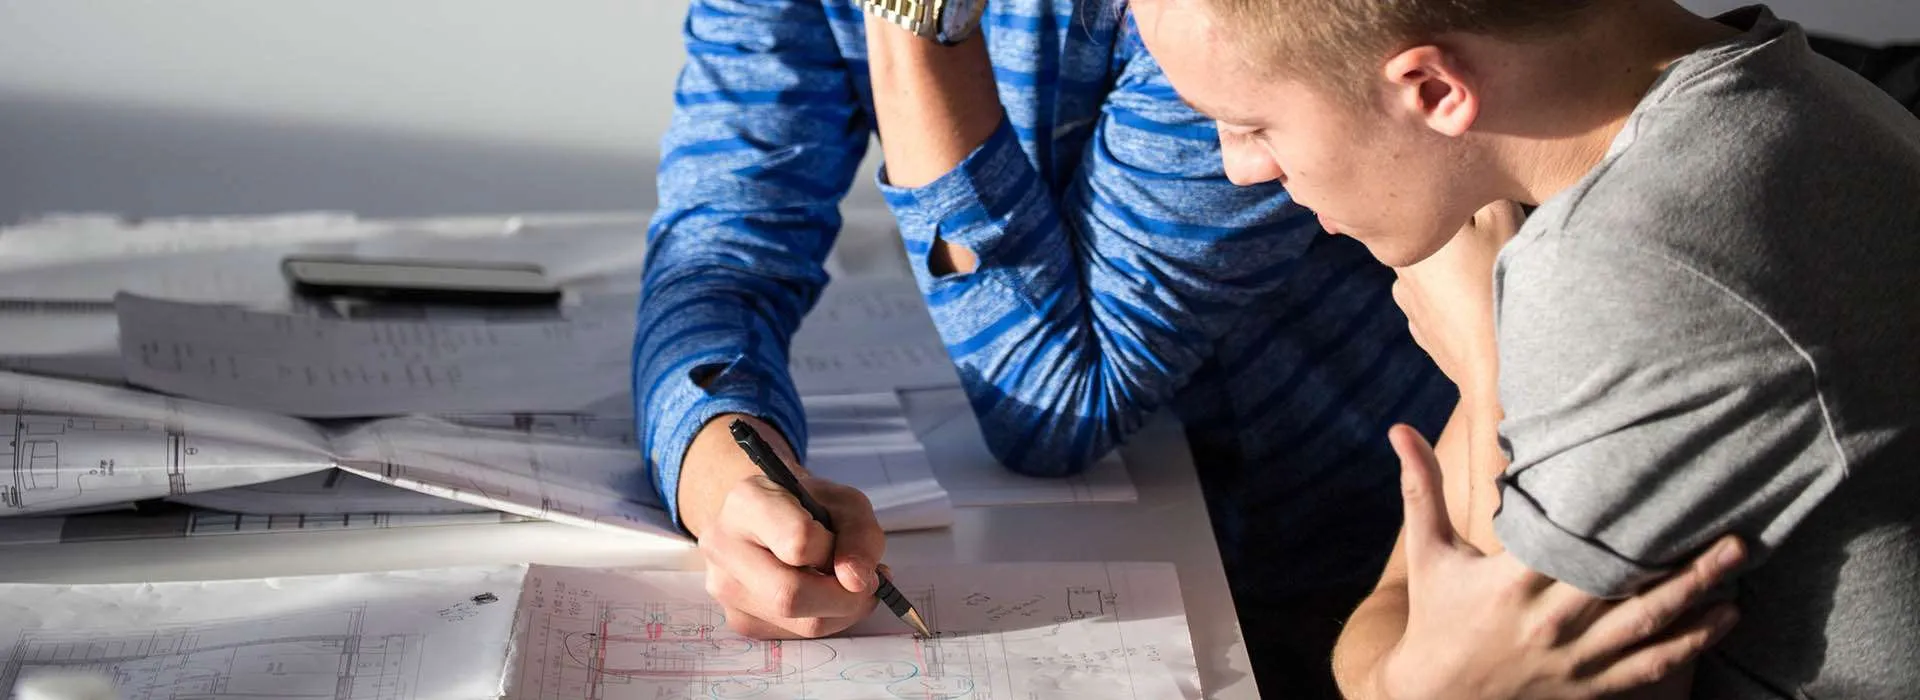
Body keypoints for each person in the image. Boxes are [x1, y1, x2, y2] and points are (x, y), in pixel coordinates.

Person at [633, 0, 1461, 693]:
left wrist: (915, 24)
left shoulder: (1211, 18)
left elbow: (1060, 408)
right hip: (1138, 551)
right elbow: (719, 247)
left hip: (1353, 563)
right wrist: (725, 475)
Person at [1133, 0, 1920, 697]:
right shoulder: (1781, 91)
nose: (1240, 169)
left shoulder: (1631, 265)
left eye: (1250, 124)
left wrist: (1486, 362)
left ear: (1435, 90)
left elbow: (1456, 675)